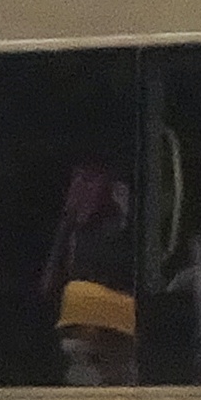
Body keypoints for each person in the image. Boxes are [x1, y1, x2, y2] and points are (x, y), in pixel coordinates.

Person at [41, 157, 138, 386]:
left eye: (89, 180)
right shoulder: (67, 229)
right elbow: (47, 284)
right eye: (76, 180)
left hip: (108, 338)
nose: (79, 188)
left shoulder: (115, 232)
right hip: (71, 333)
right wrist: (68, 220)